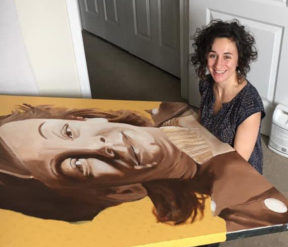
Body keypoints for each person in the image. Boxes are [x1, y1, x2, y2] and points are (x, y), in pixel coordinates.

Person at [0, 102, 287, 233]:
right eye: (77, 165)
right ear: (117, 192)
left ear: (84, 118)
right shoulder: (244, 204)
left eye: (67, 133)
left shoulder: (169, 109)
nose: (102, 146)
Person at [191, 19, 265, 174]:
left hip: (238, 173)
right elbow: (200, 126)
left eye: (227, 56)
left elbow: (237, 165)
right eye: (213, 55)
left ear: (239, 59)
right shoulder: (206, 84)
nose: (218, 65)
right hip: (209, 156)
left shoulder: (249, 104)